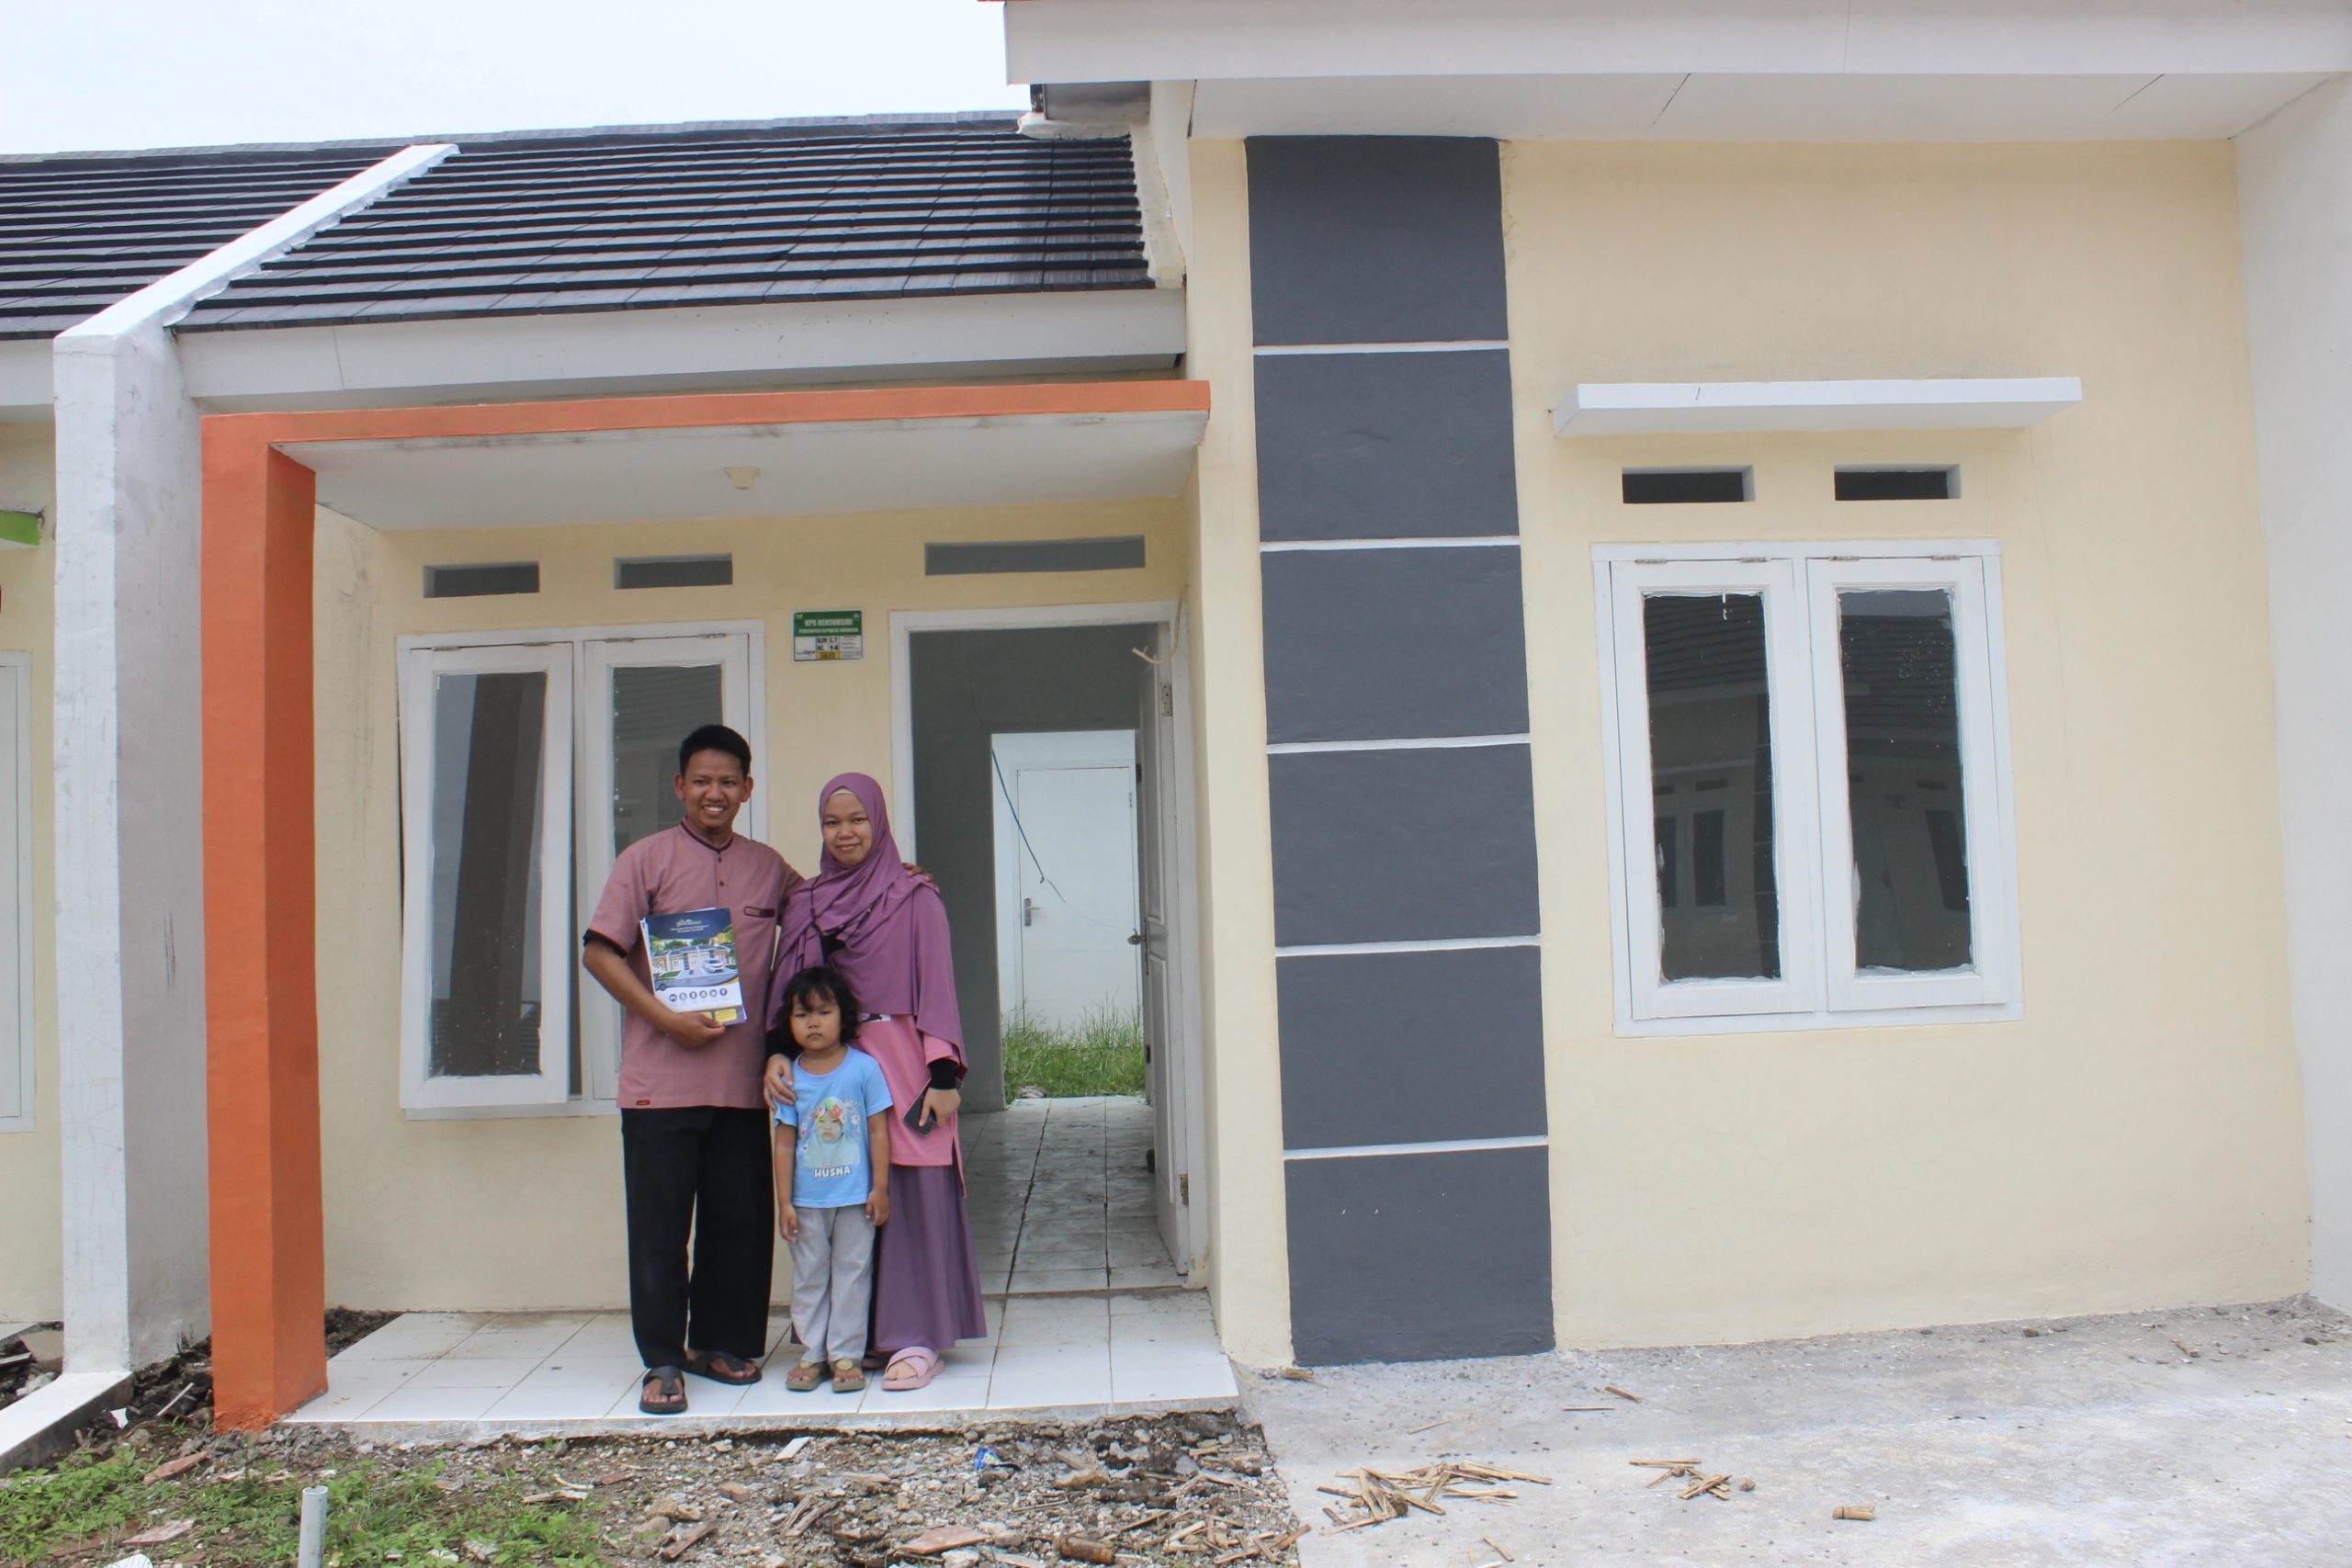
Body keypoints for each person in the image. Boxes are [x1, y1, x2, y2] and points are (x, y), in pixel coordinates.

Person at [582, 724, 797, 1416]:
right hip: (659, 1087)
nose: (715, 793)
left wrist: (900, 879)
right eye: (702, 780)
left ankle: (721, 1343)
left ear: (747, 789)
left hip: (742, 1087)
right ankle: (663, 1360)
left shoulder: (770, 868)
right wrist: (664, 1017)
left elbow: (829, 906)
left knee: (738, 1224)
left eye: (728, 781)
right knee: (659, 1230)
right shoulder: (643, 860)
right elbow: (598, 952)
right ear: (680, 785)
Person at [764, 773, 988, 1392]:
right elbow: (790, 995)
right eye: (832, 822)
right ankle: (848, 1340)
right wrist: (778, 1053)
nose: (845, 833)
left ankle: (915, 1337)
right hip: (832, 1069)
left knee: (911, 1191)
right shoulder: (808, 903)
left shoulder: (915, 898)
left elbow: (937, 987)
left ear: (880, 823)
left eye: (858, 819)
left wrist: (942, 1073)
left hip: (906, 1062)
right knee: (841, 1192)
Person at [771, 964, 893, 1393]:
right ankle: (812, 1353)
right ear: (789, 1022)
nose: (814, 1022)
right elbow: (783, 1142)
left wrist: (880, 1188)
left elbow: (879, 1131)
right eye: (802, 1014)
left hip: (856, 1199)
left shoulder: (864, 1069)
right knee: (809, 1276)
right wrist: (784, 1202)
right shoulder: (790, 1078)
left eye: (824, 1012)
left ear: (844, 1016)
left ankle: (845, 1354)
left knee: (853, 1273)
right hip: (806, 1202)